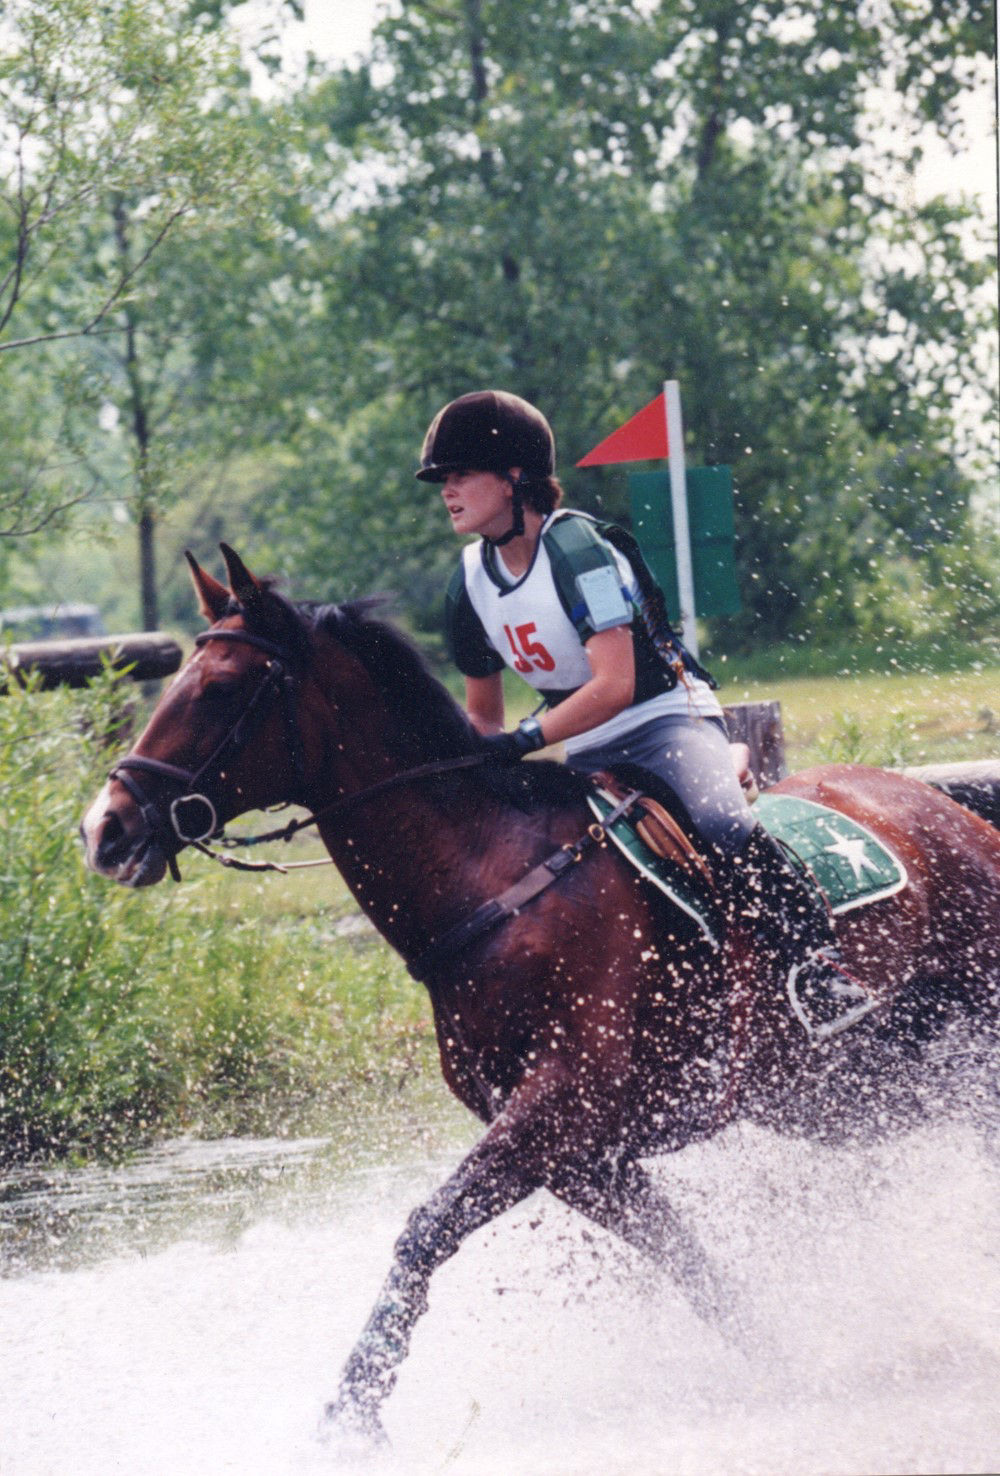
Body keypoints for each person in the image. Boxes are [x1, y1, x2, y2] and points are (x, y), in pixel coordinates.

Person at [419, 389, 875, 1041]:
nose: (447, 489)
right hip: (586, 745)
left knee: (721, 823)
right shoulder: (466, 580)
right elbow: (484, 718)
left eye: (461, 473)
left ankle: (819, 966)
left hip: (664, 720)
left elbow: (615, 684)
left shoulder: (579, 549)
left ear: (514, 477)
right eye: (443, 478)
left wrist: (523, 740)